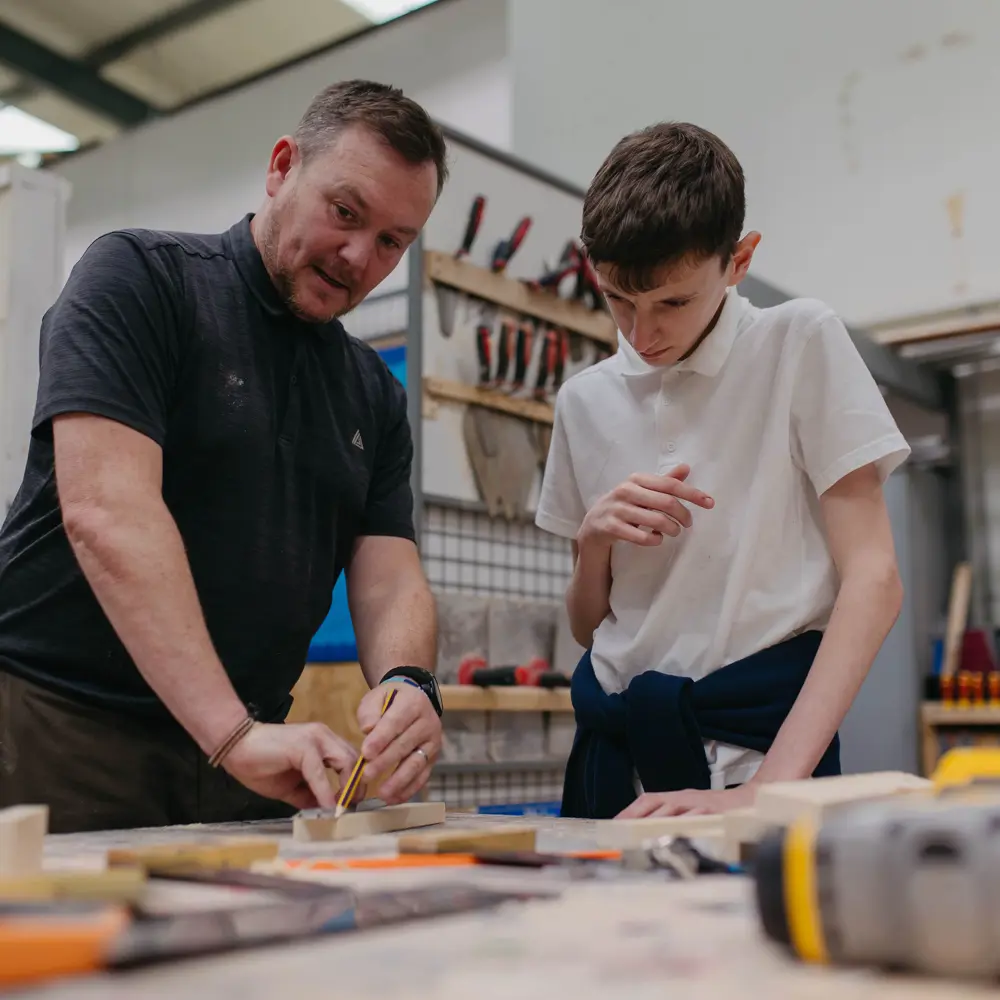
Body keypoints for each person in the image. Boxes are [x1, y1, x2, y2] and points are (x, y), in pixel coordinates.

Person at [0, 80, 448, 834]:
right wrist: (231, 733)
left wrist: (409, 683)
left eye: (391, 242)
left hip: (249, 754)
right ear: (281, 168)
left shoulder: (372, 389)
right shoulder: (140, 281)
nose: (357, 256)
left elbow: (389, 576)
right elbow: (108, 514)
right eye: (345, 212)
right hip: (63, 733)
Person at [535, 122, 910, 820]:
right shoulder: (582, 401)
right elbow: (590, 628)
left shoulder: (798, 341)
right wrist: (593, 543)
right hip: (613, 758)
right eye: (618, 299)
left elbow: (875, 579)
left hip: (758, 753)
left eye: (671, 302)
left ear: (738, 261)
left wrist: (768, 788)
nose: (641, 335)